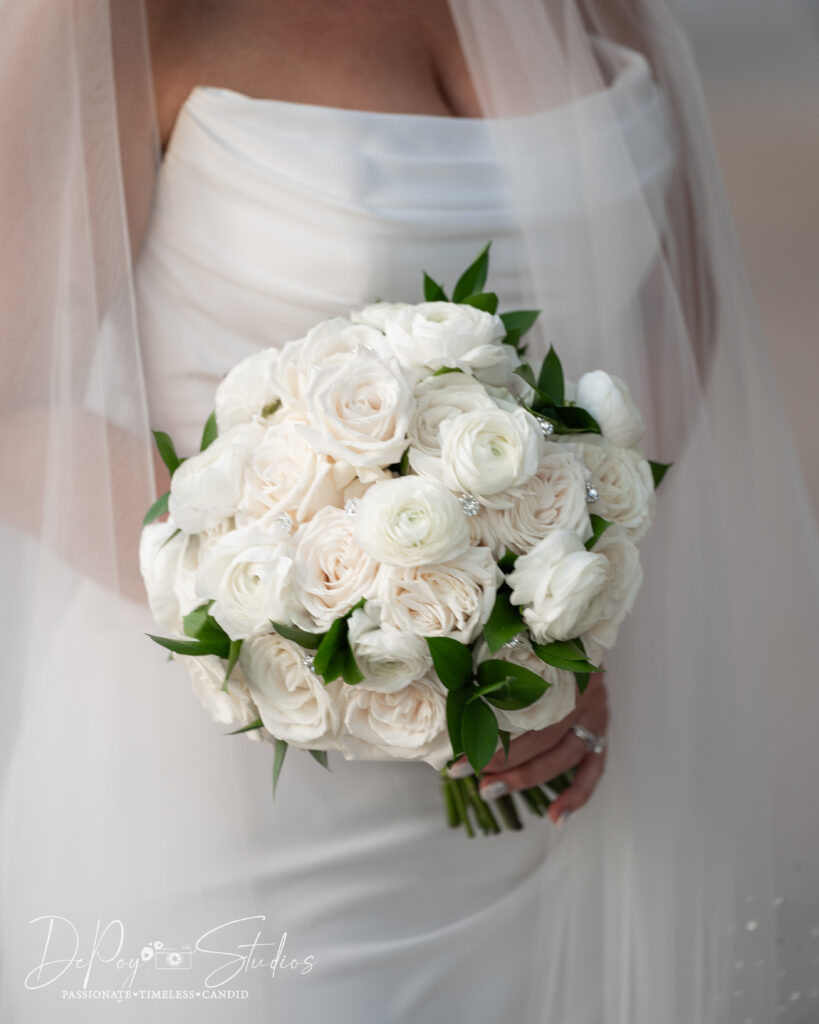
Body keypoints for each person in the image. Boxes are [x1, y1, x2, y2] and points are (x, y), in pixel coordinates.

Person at [1, 2, 817, 1021]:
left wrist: (559, 590)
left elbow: (679, 293)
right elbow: (19, 400)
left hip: (554, 746)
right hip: (246, 784)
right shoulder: (120, 17)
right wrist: (335, 613)